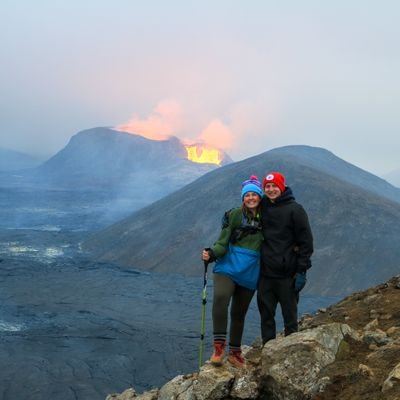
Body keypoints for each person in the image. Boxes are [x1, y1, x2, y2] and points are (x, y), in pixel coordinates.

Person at [201, 175, 264, 368]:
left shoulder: (269, 217)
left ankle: (234, 353)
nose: (251, 198)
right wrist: (212, 253)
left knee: (239, 313)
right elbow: (223, 241)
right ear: (243, 198)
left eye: (254, 194)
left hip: (250, 271)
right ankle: (218, 349)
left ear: (260, 197)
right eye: (247, 195)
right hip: (228, 267)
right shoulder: (235, 215)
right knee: (221, 298)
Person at [257, 172, 313, 344]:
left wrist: (301, 270)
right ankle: (268, 350)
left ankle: (292, 350)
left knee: (290, 317)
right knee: (266, 316)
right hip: (265, 274)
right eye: (268, 186)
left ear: (282, 187)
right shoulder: (262, 207)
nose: (271, 189)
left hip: (287, 275)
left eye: (274, 186)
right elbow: (247, 205)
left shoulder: (295, 210)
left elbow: (306, 242)